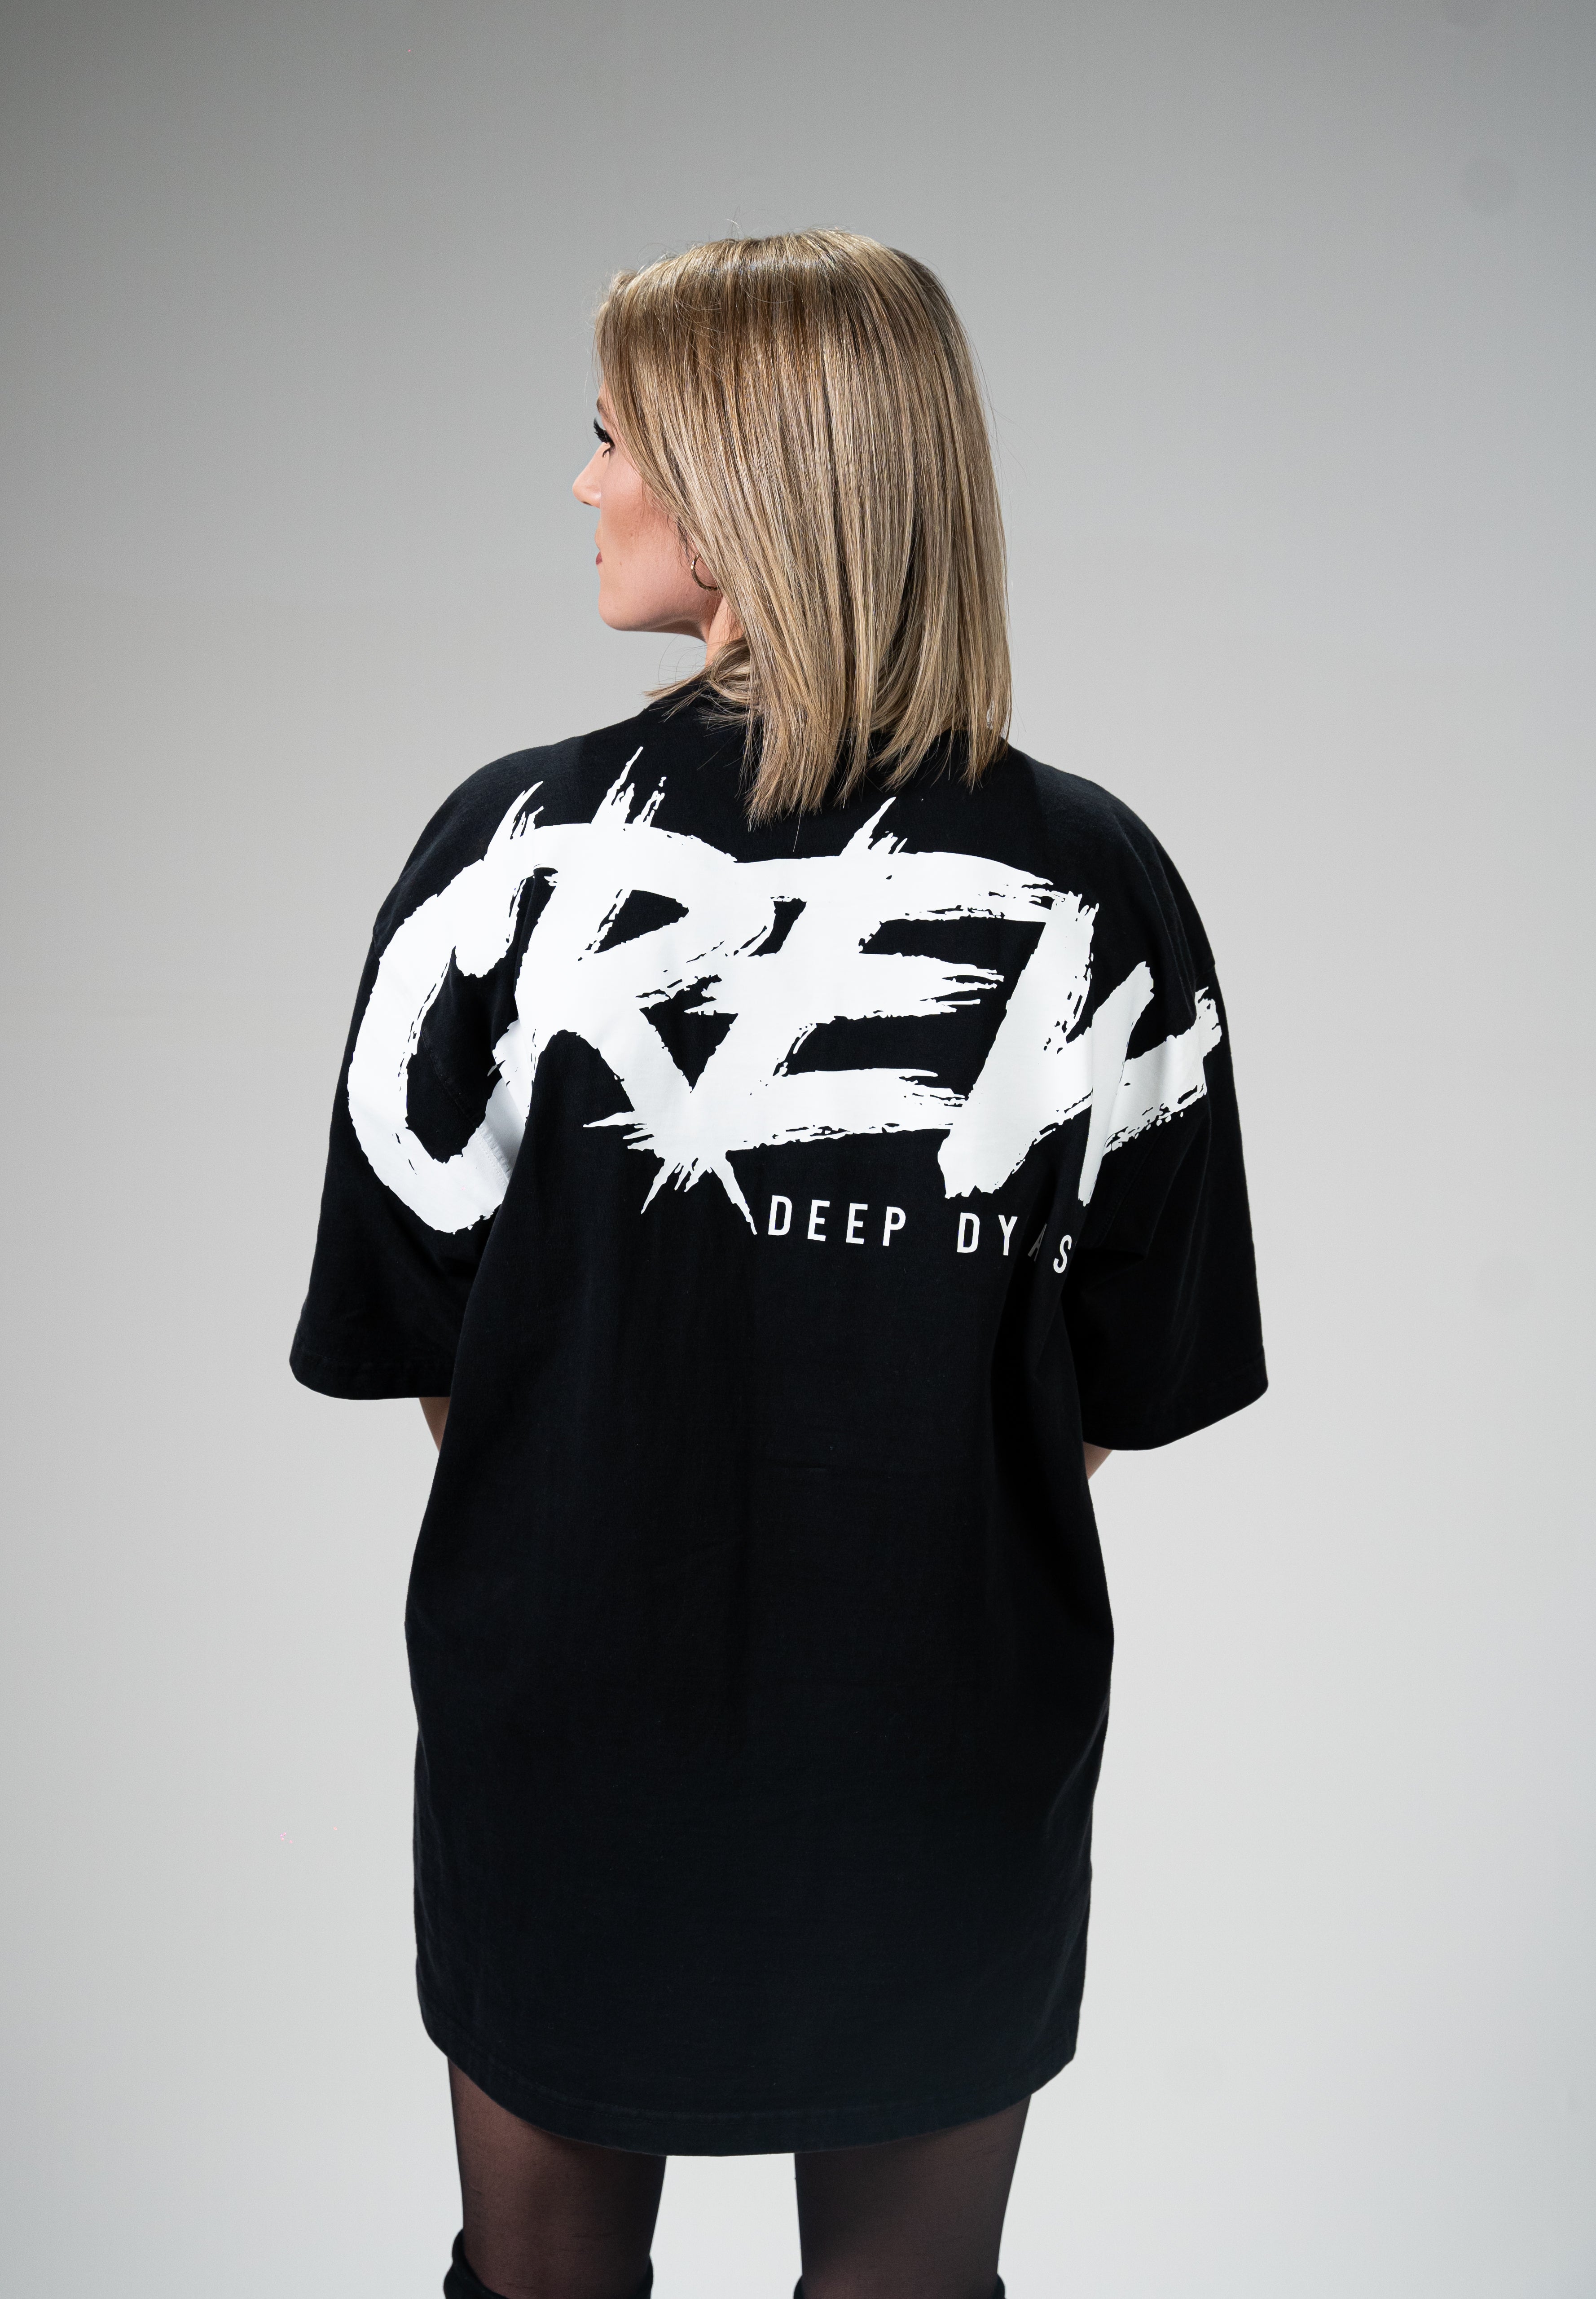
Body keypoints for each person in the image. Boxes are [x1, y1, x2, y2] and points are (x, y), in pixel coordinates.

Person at [290, 230, 1266, 2299]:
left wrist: (615, 1492)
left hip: (594, 1715)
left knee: (541, 2287)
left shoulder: (510, 862)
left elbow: (450, 1347)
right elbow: (1107, 1388)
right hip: (926, 1726)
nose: (583, 481)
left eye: (613, 432)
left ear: (745, 474)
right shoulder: (1094, 880)